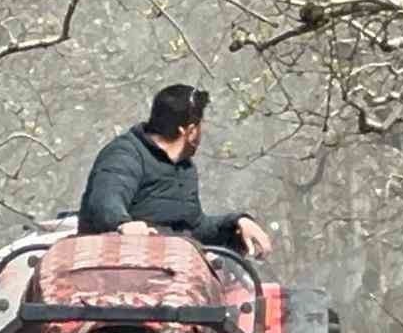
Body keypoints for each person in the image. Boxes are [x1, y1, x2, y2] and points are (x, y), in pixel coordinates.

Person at [76, 84, 274, 257]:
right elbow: (105, 201)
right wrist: (123, 224)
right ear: (190, 131)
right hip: (117, 266)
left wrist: (236, 224)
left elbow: (193, 227)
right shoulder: (125, 154)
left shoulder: (185, 168)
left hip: (174, 269)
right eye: (201, 124)